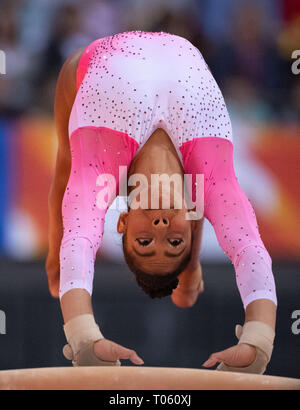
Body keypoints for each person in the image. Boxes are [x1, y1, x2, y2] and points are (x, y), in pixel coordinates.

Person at [46, 31, 277, 372]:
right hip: (183, 59)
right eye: (173, 242)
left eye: (144, 242)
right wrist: (259, 341)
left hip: (89, 68)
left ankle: (56, 268)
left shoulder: (101, 170)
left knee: (67, 167)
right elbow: (247, 246)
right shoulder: (209, 178)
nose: (160, 228)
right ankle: (188, 266)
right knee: (201, 187)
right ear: (192, 217)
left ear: (121, 222)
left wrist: (83, 335)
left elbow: (78, 237)